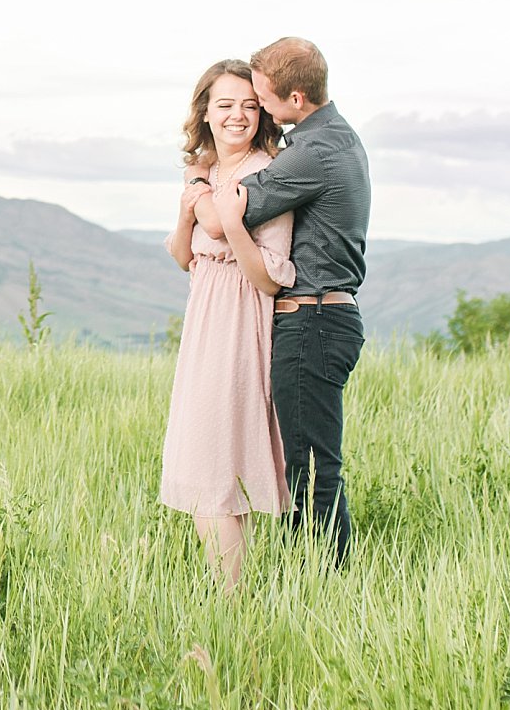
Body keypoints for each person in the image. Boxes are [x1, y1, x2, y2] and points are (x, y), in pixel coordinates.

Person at [217, 36, 370, 567]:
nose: (257, 109)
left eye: (261, 97)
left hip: (313, 323)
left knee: (308, 469)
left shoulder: (311, 152)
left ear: (297, 98)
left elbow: (227, 212)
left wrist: (198, 178)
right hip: (328, 319)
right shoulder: (336, 135)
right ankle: (316, 577)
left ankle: (323, 585)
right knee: (310, 464)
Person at [158, 58, 297, 589]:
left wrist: (230, 222)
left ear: (262, 112)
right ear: (206, 111)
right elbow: (182, 255)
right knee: (200, 461)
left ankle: (231, 598)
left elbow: (268, 278)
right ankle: (230, 592)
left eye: (248, 104)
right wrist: (188, 209)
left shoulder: (267, 171)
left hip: (241, 320)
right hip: (204, 319)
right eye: (225, 104)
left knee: (215, 462)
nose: (237, 114)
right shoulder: (207, 170)